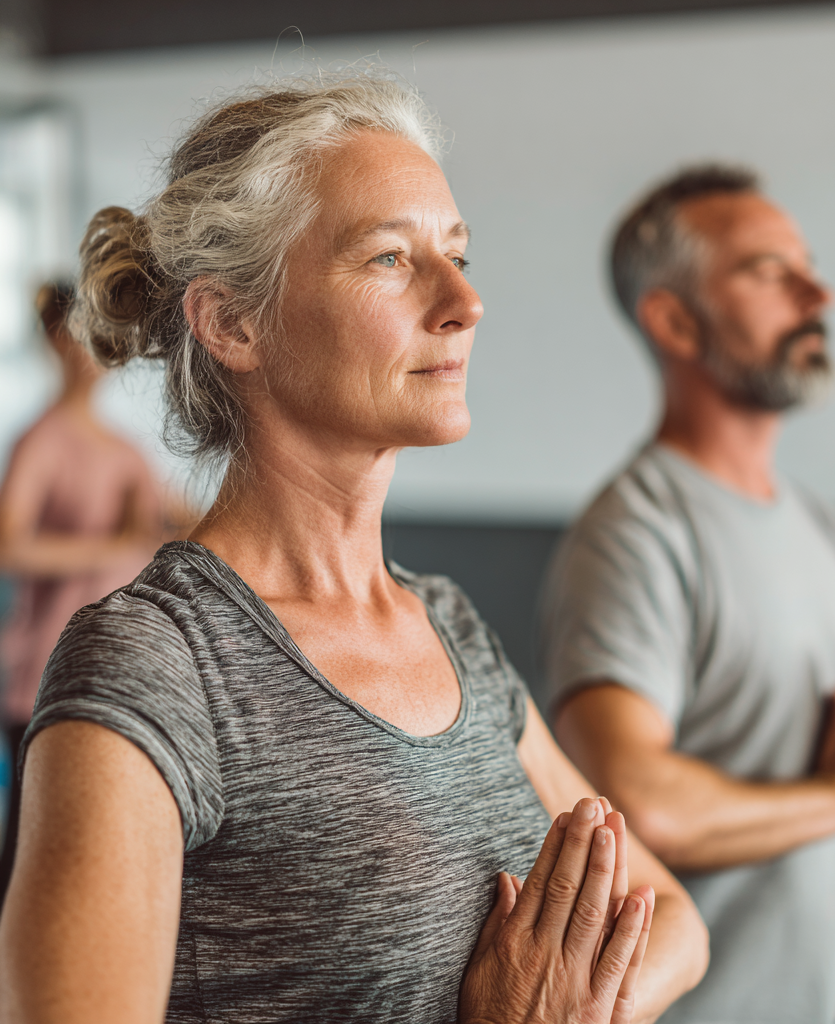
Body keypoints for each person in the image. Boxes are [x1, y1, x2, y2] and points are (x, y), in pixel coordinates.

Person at [0, 77, 708, 1024]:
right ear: (233, 324)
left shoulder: (446, 622)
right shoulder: (158, 665)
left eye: (457, 254)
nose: (465, 301)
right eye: (388, 258)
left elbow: (672, 918)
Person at [538, 165, 835, 1024]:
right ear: (673, 319)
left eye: (805, 265)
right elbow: (636, 799)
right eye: (769, 271)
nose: (818, 291)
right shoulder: (635, 532)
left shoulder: (815, 526)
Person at [0, 282, 165, 902]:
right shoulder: (40, 441)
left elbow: (172, 525)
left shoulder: (125, 448)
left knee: (88, 851)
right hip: (43, 670)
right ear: (54, 341)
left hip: (116, 673)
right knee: (27, 853)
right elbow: (8, 546)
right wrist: (111, 545)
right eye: (78, 335)